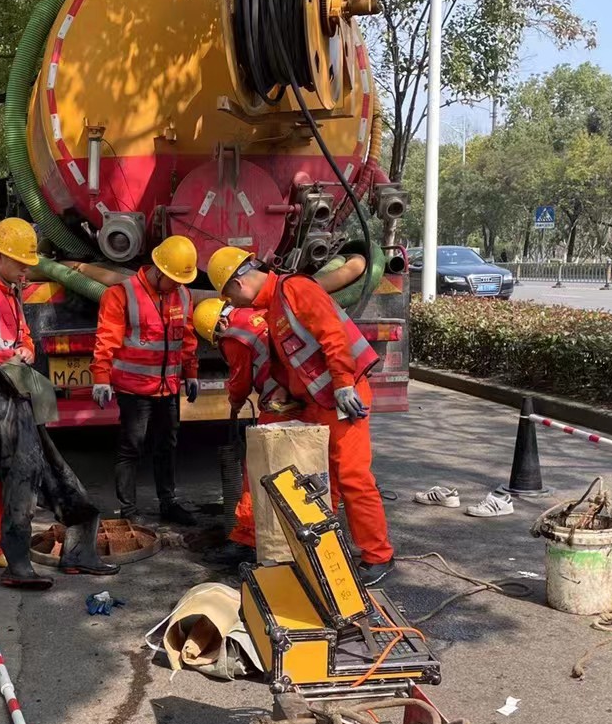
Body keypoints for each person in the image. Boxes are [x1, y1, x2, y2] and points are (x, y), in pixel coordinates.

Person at [0, 217, 118, 589]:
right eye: (20, 262)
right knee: (8, 470)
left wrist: (24, 350)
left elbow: (25, 338)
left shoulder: (12, 292)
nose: (25, 269)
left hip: (14, 392)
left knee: (11, 471)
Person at [206, 247, 394, 585]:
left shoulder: (295, 289)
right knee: (325, 480)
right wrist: (281, 388)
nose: (236, 303)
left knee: (352, 476)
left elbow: (332, 334)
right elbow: (288, 359)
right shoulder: (276, 303)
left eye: (230, 294)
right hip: (320, 401)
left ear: (240, 281)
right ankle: (329, 549)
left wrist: (342, 384)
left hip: (342, 398)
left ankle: (378, 556)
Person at [90, 235, 200, 525]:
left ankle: (169, 502)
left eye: (181, 281)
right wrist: (101, 377)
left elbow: (186, 339)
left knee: (168, 445)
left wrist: (192, 373)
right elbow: (107, 339)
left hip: (168, 388)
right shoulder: (121, 294)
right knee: (132, 447)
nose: (178, 286)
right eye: (173, 280)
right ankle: (129, 512)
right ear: (158, 270)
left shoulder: (183, 295)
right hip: (134, 390)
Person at [192, 296, 302, 568]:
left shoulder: (233, 335)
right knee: (295, 468)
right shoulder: (255, 313)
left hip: (279, 403)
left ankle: (246, 541)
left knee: (256, 470)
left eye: (216, 337)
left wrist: (235, 401)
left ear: (220, 323)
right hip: (299, 394)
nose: (219, 342)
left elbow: (240, 380)